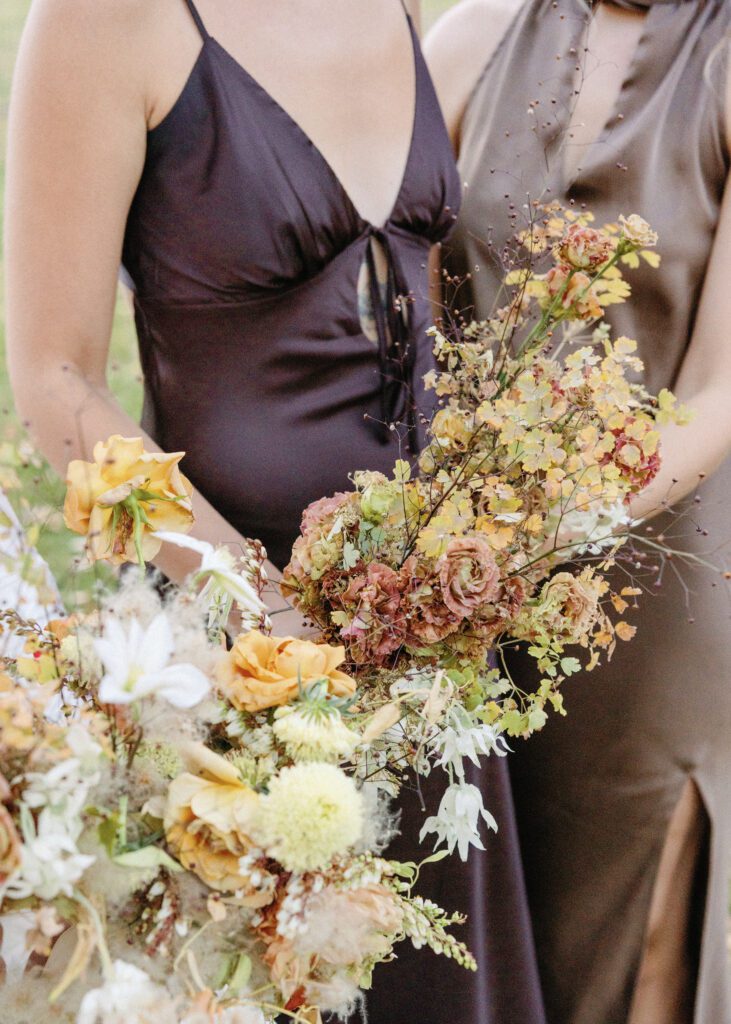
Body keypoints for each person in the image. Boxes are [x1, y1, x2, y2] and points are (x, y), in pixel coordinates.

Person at [4, 1, 546, 1020]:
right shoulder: (104, 21)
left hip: (431, 651)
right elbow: (55, 380)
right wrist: (268, 613)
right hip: (236, 668)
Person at [426, 1, 731, 1022]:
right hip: (445, 578)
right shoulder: (469, 38)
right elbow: (401, 294)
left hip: (657, 590)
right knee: (455, 925)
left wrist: (541, 533)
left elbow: (718, 387)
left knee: (626, 936)